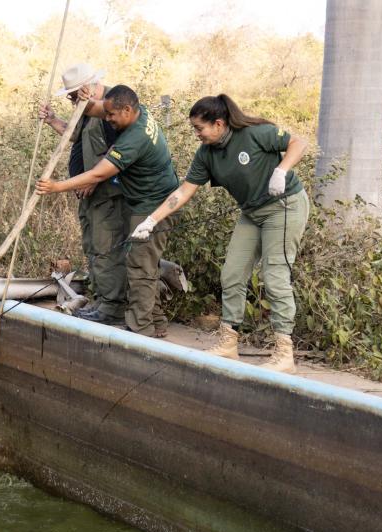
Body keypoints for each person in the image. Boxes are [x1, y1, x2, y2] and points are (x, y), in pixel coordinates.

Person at [131, 94, 309, 373]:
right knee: (232, 274)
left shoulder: (255, 134)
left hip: (284, 207)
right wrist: (151, 220)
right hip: (252, 212)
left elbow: (299, 143)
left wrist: (281, 170)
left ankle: (284, 354)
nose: (196, 135)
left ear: (218, 123)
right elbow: (184, 191)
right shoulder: (206, 155)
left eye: (199, 129)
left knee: (274, 276)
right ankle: (229, 343)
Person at [37, 85, 179, 337]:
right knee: (142, 263)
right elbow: (96, 112)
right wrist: (71, 108)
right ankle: (155, 323)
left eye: (111, 115)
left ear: (126, 110)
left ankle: (140, 329)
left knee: (140, 266)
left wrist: (56, 186)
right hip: (143, 202)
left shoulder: (133, 136)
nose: (108, 119)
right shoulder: (131, 109)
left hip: (151, 205)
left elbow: (100, 171)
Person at [39, 63, 128, 325]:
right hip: (88, 193)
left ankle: (112, 308)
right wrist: (53, 119)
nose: (71, 100)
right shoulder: (88, 108)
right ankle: (101, 300)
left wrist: (96, 179)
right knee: (92, 246)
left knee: (105, 249)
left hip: (107, 192)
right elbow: (78, 135)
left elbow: (122, 151)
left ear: (87, 88)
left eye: (72, 94)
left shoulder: (112, 107)